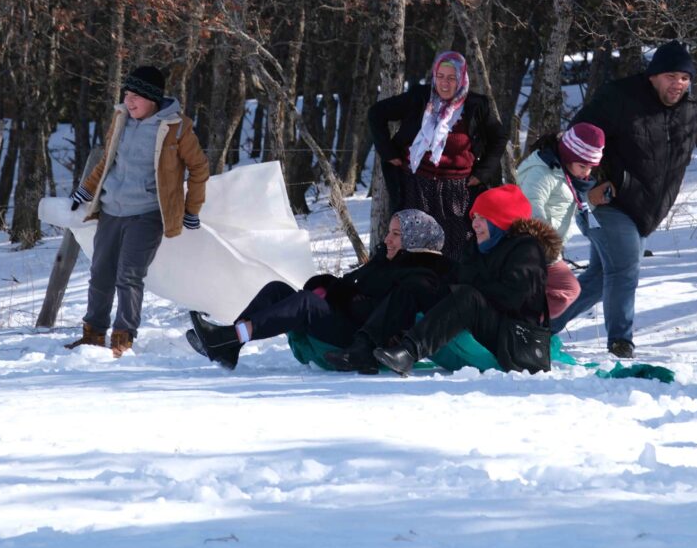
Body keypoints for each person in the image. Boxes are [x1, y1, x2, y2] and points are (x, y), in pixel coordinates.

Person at [549, 41, 697, 358]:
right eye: (671, 76)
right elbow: (576, 136)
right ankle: (621, 342)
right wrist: (587, 186)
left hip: (644, 209)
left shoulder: (687, 111)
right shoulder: (620, 97)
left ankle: (539, 326)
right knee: (625, 267)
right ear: (653, 75)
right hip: (607, 202)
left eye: (685, 78)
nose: (678, 84)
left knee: (599, 276)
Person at [187, 208, 452, 371]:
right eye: (389, 232)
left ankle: (227, 338)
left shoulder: (419, 273)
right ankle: (230, 345)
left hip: (359, 336)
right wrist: (329, 285)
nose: (387, 239)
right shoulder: (386, 261)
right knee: (277, 289)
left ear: (414, 240)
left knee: (305, 303)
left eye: (396, 234)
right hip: (346, 317)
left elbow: (379, 306)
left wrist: (339, 294)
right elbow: (354, 286)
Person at [66, 66, 209, 357]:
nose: (129, 102)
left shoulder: (176, 127)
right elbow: (108, 160)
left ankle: (123, 337)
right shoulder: (121, 119)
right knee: (100, 273)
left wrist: (191, 208)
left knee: (128, 275)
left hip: (147, 213)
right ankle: (92, 334)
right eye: (127, 95)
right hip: (111, 210)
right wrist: (87, 189)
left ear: (153, 99)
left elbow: (199, 168)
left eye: (136, 97)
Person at [374, 184, 561, 376]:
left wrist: (469, 289)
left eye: (482, 218)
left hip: (514, 337)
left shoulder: (526, 249)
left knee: (467, 296)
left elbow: (513, 297)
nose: (475, 224)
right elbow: (455, 279)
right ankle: (366, 346)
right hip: (484, 323)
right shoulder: (478, 247)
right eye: (474, 217)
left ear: (501, 220)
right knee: (416, 285)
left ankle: (408, 351)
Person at [369, 50, 508, 260]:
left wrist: (483, 172)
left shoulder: (476, 106)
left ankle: (451, 290)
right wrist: (388, 152)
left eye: (452, 78)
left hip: (457, 191)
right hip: (416, 186)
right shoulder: (419, 98)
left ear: (461, 79)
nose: (445, 83)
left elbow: (499, 137)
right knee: (413, 247)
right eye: (440, 76)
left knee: (457, 248)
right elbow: (376, 113)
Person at [517, 122, 606, 318]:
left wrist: (591, 201)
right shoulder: (542, 172)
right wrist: (549, 249)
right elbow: (531, 208)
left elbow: (565, 204)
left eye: (591, 167)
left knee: (562, 291)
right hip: (531, 247)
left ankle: (529, 327)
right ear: (569, 155)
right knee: (567, 289)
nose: (587, 173)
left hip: (547, 249)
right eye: (583, 166)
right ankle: (521, 325)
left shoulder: (565, 174)